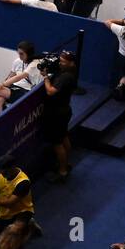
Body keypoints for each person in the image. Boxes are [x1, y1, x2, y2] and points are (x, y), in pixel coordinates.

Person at [39, 50, 78, 182]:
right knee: (64, 136)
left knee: (57, 144)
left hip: (57, 114)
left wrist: (45, 77)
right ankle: (66, 163)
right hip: (64, 110)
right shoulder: (68, 73)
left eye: (63, 62)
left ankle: (62, 172)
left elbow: (50, 92)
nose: (60, 63)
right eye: (59, 61)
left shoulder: (66, 77)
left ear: (71, 63)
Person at [0, 41, 41, 118]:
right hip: (14, 87)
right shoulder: (17, 61)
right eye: (19, 53)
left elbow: (18, 77)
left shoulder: (34, 64)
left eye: (22, 54)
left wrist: (0, 86)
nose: (20, 57)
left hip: (27, 91)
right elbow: (10, 76)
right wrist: (1, 85)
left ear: (29, 54)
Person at [105, 14, 125, 100]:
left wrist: (123, 22)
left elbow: (107, 22)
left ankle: (120, 87)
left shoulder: (121, 30)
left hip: (122, 58)